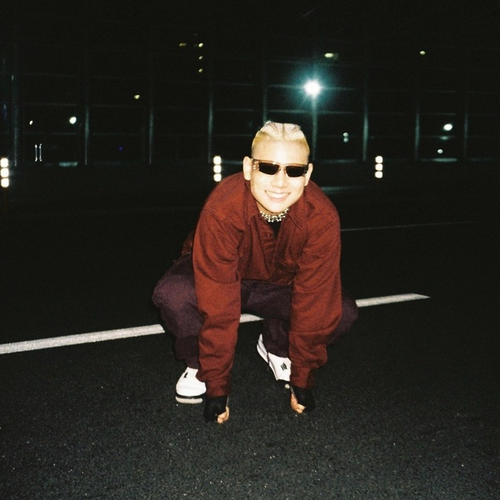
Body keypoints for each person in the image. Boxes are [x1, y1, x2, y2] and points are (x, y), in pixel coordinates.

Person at [152, 121, 358, 424]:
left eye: (294, 170)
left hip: (279, 285)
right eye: (268, 168)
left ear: (308, 175)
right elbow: (218, 303)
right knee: (174, 293)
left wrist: (302, 378)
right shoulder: (223, 206)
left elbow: (314, 296)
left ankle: (277, 346)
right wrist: (217, 385)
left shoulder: (322, 216)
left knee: (340, 311)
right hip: (223, 278)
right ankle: (199, 364)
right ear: (248, 168)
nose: (280, 182)